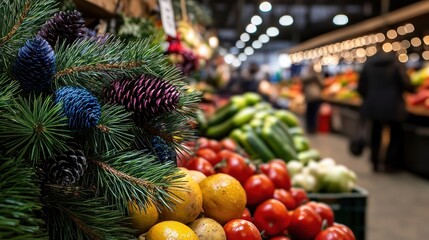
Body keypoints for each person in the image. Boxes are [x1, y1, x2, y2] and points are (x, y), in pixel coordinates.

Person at [357, 51, 414, 172]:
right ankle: (390, 163)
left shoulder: (368, 65)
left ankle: (375, 162)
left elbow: (361, 87)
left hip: (373, 105)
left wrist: (369, 96)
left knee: (375, 133)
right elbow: (406, 84)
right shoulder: (397, 64)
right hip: (393, 105)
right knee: (394, 135)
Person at [302, 64, 324, 134]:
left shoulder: (317, 75)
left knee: (314, 113)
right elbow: (303, 80)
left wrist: (316, 76)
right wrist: (312, 77)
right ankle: (309, 127)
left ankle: (313, 127)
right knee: (309, 113)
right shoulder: (306, 75)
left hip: (316, 97)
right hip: (309, 97)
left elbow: (322, 84)